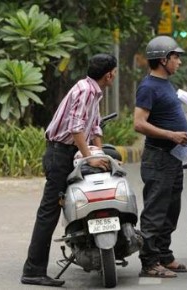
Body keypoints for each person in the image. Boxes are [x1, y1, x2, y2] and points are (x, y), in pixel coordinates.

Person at [21, 54, 117, 287]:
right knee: (49, 211)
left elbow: (93, 125)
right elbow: (75, 128)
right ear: (109, 74)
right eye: (114, 72)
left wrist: (99, 153)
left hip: (67, 152)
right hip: (60, 154)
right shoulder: (85, 90)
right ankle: (33, 270)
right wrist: (89, 159)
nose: (114, 75)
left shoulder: (93, 91)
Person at [134, 35, 187, 278]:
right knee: (155, 211)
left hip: (172, 159)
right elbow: (138, 124)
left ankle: (164, 256)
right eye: (175, 57)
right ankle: (149, 262)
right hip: (158, 157)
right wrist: (171, 135)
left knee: (171, 209)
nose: (179, 61)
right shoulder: (148, 86)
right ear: (163, 59)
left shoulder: (166, 84)